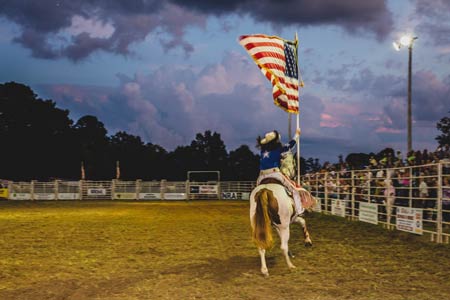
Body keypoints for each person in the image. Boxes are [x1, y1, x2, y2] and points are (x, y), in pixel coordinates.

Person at [256, 128, 314, 220]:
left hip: (261, 176)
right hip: (274, 173)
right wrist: (297, 134)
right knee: (294, 189)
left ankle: (257, 210)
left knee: (257, 191)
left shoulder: (263, 150)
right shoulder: (279, 149)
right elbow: (291, 145)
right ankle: (300, 211)